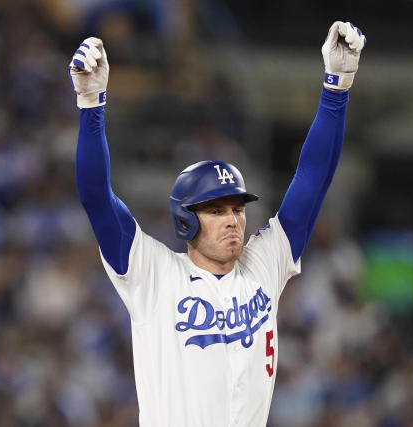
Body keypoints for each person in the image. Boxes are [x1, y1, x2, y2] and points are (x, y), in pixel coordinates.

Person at [69, 21, 366, 427]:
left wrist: (337, 89)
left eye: (237, 209)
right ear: (185, 221)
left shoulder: (264, 263)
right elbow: (96, 197)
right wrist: (91, 105)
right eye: (216, 210)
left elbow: (312, 182)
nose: (232, 220)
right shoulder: (152, 273)